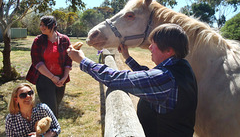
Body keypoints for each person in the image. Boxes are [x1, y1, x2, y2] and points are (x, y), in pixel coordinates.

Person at [67, 23, 198, 137]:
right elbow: (148, 75)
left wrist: (82, 60)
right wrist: (127, 57)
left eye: (154, 44)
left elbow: (117, 78)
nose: (150, 48)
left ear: (169, 50)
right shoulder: (182, 68)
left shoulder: (165, 79)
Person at [26, 15, 72, 118]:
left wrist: (64, 77)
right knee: (50, 108)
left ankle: (51, 129)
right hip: (43, 78)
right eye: (41, 25)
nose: (42, 27)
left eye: (45, 25)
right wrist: (52, 77)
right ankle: (52, 131)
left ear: (53, 25)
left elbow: (69, 60)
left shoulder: (64, 40)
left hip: (60, 78)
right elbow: (37, 62)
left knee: (56, 104)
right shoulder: (38, 41)